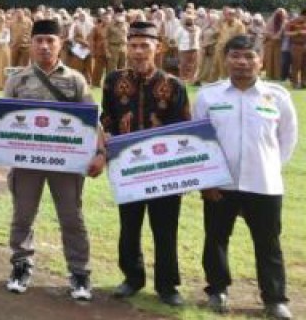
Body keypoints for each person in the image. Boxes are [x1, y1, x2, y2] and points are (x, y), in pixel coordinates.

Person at [0, 19, 105, 301]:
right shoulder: (17, 80)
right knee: (23, 215)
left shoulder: (74, 80)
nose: (45, 46)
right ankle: (21, 265)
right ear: (31, 44)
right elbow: (2, 122)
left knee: (71, 217)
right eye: (39, 40)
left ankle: (79, 272)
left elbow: (92, 120)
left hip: (67, 164)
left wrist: (100, 152)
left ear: (61, 44)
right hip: (27, 163)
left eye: (51, 40)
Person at [194, 35, 298, 319]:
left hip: (264, 183)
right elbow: (199, 141)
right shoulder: (208, 96)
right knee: (215, 238)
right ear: (225, 59)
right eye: (236, 55)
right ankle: (217, 291)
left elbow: (287, 138)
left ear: (260, 61)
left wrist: (269, 167)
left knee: (268, 243)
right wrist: (207, 180)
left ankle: (274, 299)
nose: (242, 62)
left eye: (249, 56)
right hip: (220, 183)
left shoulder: (277, 96)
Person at [101, 21, 190, 306]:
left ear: (158, 47)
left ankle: (167, 285)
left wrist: (184, 171)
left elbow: (184, 128)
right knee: (129, 226)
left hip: (165, 171)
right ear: (127, 47)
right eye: (133, 45)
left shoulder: (173, 85)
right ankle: (132, 278)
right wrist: (108, 143)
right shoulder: (113, 81)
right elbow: (108, 118)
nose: (138, 52)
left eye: (144, 46)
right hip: (128, 169)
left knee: (165, 227)